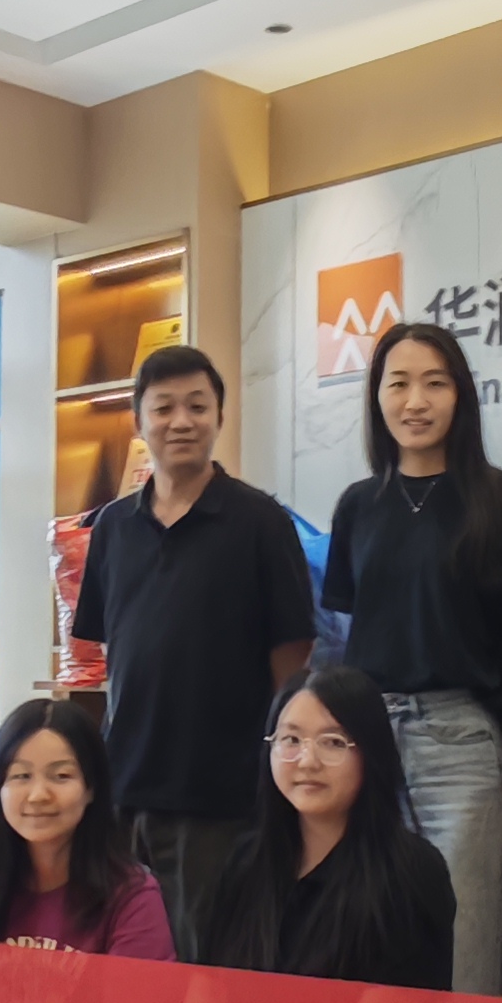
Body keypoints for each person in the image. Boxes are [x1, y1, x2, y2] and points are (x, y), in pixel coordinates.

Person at [320, 320, 502, 996]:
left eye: (434, 383)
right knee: (371, 949)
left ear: (460, 396)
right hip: (367, 745)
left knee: (466, 957)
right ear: (377, 397)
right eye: (399, 384)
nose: (415, 401)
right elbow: (347, 630)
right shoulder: (358, 505)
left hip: (461, 742)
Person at [69, 344, 314, 925]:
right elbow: (113, 655)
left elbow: (293, 656)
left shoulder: (261, 522)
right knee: (121, 950)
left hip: (221, 795)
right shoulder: (113, 527)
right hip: (124, 786)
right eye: (164, 408)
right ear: (139, 421)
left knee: (203, 956)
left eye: (197, 407)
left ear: (219, 417)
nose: (181, 421)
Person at [197, 665, 457, 989]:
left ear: (371, 751)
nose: (308, 761)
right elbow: (207, 988)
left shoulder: (411, 873)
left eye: (333, 742)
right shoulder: (245, 862)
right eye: (291, 739)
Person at [0, 695, 172, 957]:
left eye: (61, 776)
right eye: (21, 775)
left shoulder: (132, 898)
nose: (38, 795)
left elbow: (138, 986)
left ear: (91, 788)